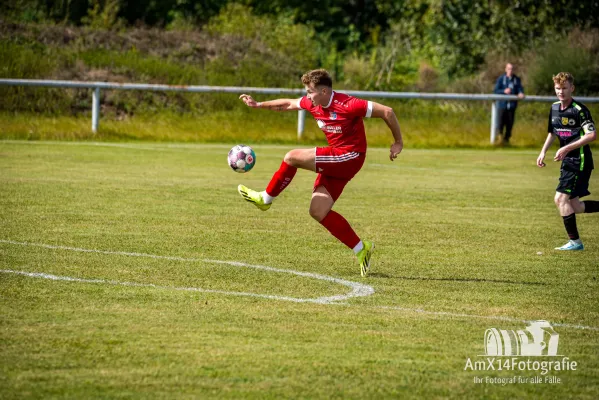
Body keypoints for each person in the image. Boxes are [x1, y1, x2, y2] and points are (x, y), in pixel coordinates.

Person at [238, 69, 403, 276]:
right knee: (318, 211)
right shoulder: (313, 102)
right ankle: (362, 249)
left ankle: (265, 198)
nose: (307, 96)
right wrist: (258, 105)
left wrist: (398, 142)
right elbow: (288, 104)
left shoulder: (348, 104)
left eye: (310, 92)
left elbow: (387, 111)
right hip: (338, 160)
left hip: (350, 156)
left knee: (292, 157)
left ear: (324, 91)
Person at [536, 72, 598, 251]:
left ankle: (575, 243)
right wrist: (543, 152)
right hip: (567, 161)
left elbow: (591, 135)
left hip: (579, 160)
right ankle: (575, 242)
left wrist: (567, 148)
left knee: (560, 199)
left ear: (572, 88)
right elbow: (553, 132)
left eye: (564, 88)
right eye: (558, 88)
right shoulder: (554, 108)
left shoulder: (579, 110)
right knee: (575, 206)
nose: (561, 92)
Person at [494, 63, 525, 145]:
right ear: (505, 69)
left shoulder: (516, 79)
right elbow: (496, 90)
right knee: (500, 123)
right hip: (502, 106)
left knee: (509, 124)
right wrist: (504, 91)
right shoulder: (501, 79)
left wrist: (521, 93)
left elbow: (520, 89)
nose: (510, 70)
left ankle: (506, 141)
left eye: (512, 69)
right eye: (509, 68)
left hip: (512, 106)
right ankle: (499, 139)